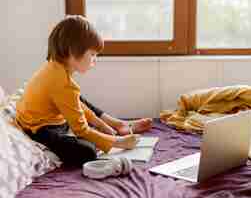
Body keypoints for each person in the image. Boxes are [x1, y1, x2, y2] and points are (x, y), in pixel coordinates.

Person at [15, 15, 152, 166]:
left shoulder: (56, 68)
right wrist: (119, 142)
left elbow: (77, 105)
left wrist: (101, 125)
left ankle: (117, 125)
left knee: (78, 99)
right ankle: (114, 130)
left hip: (47, 118)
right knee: (87, 152)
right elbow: (81, 130)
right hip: (38, 128)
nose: (95, 60)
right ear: (73, 53)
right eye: (92, 54)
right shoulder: (61, 83)